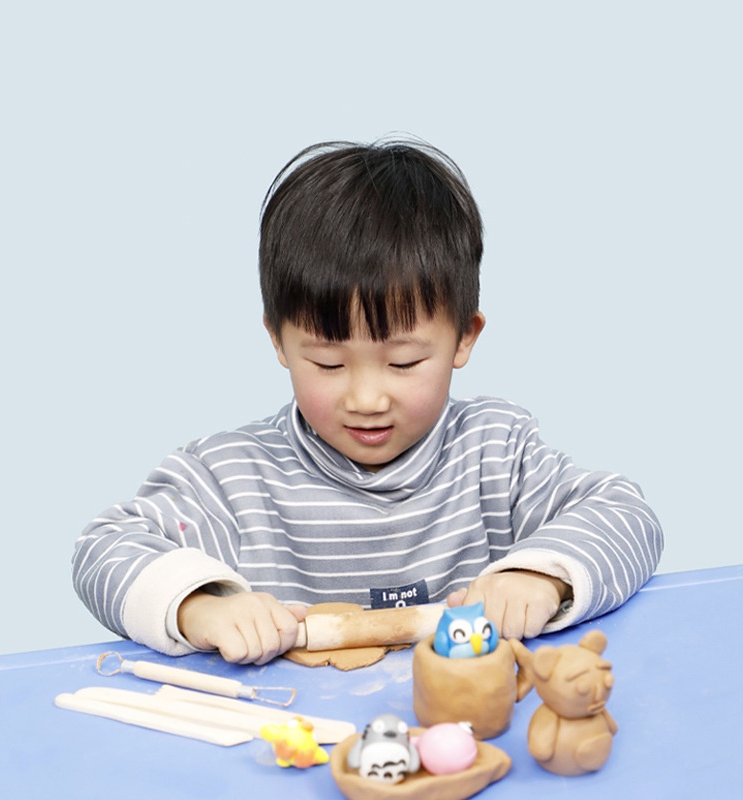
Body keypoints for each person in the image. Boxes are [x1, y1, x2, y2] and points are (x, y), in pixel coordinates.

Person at [72, 138, 663, 666]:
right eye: (328, 364)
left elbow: (626, 514)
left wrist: (540, 575)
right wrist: (200, 605)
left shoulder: (496, 453)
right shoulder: (230, 478)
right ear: (278, 341)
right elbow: (103, 549)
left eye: (403, 363)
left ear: (464, 337)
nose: (366, 398)